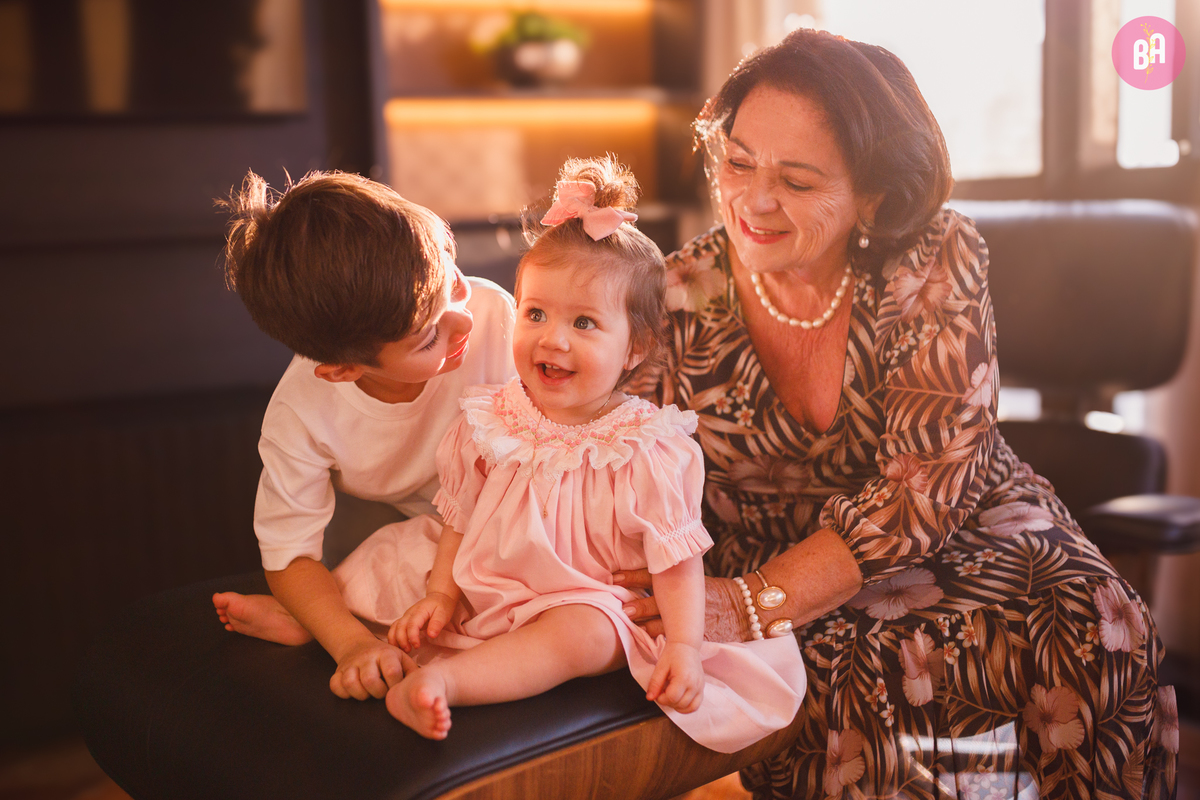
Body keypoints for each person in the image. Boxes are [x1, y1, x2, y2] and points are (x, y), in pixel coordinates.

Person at [616, 29, 1178, 799]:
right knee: (838, 668)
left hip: (958, 527)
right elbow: (621, 464)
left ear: (873, 195)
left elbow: (926, 487)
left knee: (1092, 619)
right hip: (777, 553)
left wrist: (750, 601)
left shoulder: (933, 255)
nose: (754, 199)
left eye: (799, 180)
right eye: (737, 161)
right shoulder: (674, 294)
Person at [384, 156, 806, 752]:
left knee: (580, 636)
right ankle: (313, 622)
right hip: (490, 585)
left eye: (584, 322)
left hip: (587, 597)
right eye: (535, 314)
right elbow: (458, 517)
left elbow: (677, 563)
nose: (552, 338)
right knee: (397, 559)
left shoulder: (648, 447)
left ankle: (444, 682)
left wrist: (684, 647)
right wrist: (442, 594)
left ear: (635, 348)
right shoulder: (493, 420)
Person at [210, 170, 515, 702]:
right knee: (396, 560)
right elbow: (289, 553)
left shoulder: (494, 312)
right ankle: (335, 620)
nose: (464, 322)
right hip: (405, 519)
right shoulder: (302, 412)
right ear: (343, 371)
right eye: (427, 338)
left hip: (498, 502)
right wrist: (350, 646)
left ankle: (314, 616)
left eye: (456, 282)